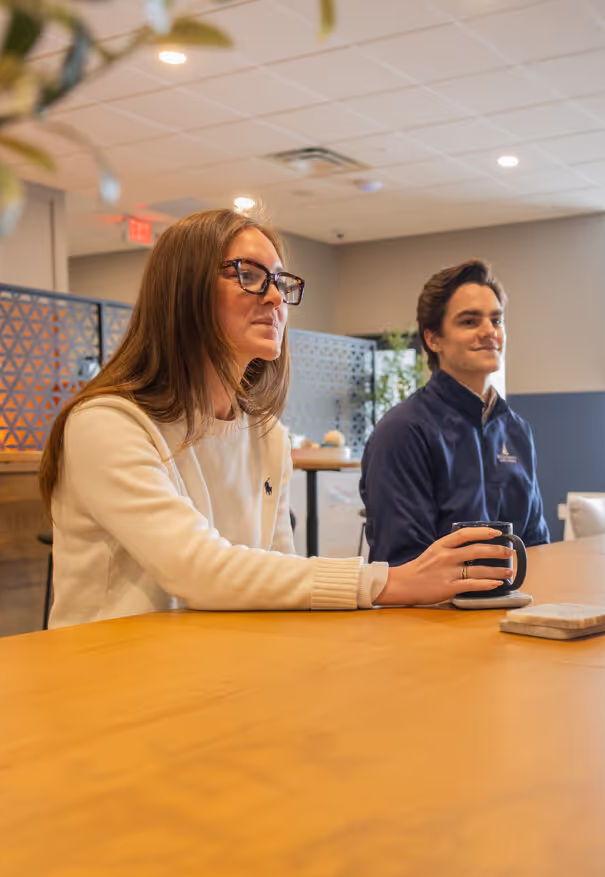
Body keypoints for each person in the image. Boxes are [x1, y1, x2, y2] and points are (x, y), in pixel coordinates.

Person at [39, 210, 516, 627]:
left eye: (281, 283)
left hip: (212, 677)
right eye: (249, 275)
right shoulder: (106, 424)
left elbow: (275, 580)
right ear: (182, 291)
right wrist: (386, 581)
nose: (274, 298)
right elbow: (197, 571)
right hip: (108, 687)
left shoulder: (265, 436)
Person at [360, 259, 550, 565]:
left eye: (496, 320)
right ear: (433, 338)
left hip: (514, 606)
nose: (490, 331)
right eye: (470, 322)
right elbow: (401, 563)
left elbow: (536, 546)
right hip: (434, 612)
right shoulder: (402, 432)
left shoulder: (516, 430)